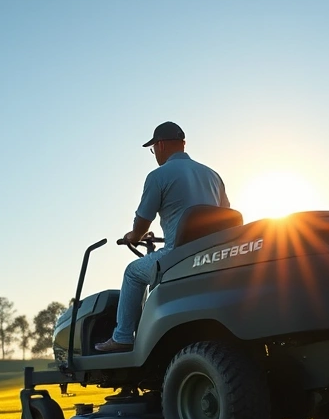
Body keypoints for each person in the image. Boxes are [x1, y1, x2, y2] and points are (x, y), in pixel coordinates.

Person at [95, 121, 229, 352]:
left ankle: (123, 336)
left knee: (132, 272)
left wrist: (134, 236)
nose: (154, 153)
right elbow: (226, 215)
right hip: (212, 255)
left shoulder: (158, 175)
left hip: (178, 255)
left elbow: (142, 221)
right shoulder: (213, 175)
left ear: (161, 145)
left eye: (153, 148)